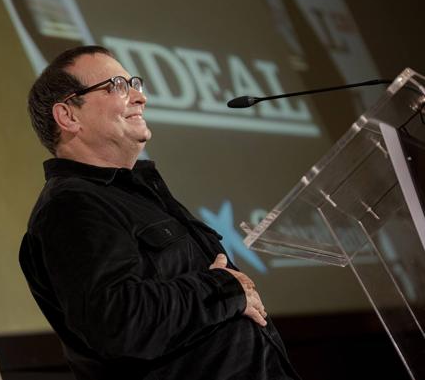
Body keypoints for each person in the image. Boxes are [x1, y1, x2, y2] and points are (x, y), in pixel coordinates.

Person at [19, 45, 300, 380]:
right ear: (68, 116)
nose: (140, 97)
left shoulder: (136, 194)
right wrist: (224, 289)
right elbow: (118, 321)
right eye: (117, 87)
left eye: (135, 84)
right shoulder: (71, 208)